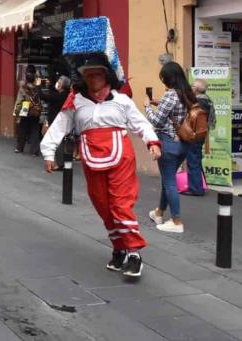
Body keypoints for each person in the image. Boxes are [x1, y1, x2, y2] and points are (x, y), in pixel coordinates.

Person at [41, 56, 161, 278]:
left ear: (106, 76)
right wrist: (48, 151)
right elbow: (60, 125)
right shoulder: (75, 102)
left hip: (121, 156)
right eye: (89, 74)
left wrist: (152, 142)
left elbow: (140, 123)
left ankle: (133, 253)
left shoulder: (122, 100)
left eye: (97, 74)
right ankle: (119, 248)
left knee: (120, 203)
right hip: (91, 158)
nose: (93, 78)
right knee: (103, 205)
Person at [146, 62, 196, 232]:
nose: (163, 82)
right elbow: (178, 111)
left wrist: (147, 106)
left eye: (164, 79)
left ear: (169, 79)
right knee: (168, 180)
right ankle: (159, 212)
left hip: (168, 143)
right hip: (184, 143)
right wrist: (158, 102)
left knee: (169, 182)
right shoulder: (187, 93)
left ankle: (176, 221)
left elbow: (156, 121)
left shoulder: (170, 95)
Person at [185, 79, 216, 196]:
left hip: (195, 134)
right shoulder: (207, 100)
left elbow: (191, 116)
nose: (191, 88)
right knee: (196, 159)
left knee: (193, 160)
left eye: (192, 86)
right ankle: (200, 185)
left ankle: (196, 189)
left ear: (197, 89)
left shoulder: (199, 102)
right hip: (201, 134)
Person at [39, 75, 72, 170]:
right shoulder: (64, 94)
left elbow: (44, 97)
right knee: (58, 140)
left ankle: (60, 163)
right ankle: (60, 161)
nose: (58, 82)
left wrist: (38, 86)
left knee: (57, 141)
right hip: (58, 120)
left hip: (56, 120)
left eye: (60, 81)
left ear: (63, 85)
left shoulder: (61, 95)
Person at [14, 71, 42, 156]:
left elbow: (19, 100)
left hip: (25, 107)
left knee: (22, 128)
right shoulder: (37, 88)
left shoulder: (23, 88)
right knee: (35, 130)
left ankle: (19, 147)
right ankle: (34, 151)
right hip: (35, 109)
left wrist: (16, 112)